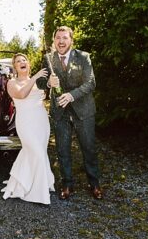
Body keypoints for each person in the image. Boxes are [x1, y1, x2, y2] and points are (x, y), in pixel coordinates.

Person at [36, 26, 102, 200]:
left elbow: (91, 83)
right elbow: (40, 83)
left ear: (71, 40)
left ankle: (94, 183)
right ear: (54, 41)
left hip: (83, 110)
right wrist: (49, 83)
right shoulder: (48, 58)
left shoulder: (83, 57)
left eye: (65, 38)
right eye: (58, 38)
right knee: (62, 150)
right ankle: (67, 184)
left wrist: (71, 95)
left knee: (88, 148)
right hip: (60, 112)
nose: (61, 41)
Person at [1, 54, 55, 204]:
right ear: (15, 67)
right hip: (26, 122)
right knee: (35, 151)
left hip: (41, 120)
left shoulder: (40, 81)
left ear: (28, 64)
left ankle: (23, 183)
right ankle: (38, 193)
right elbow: (21, 94)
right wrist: (35, 76)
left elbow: (50, 92)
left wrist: (51, 82)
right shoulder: (12, 82)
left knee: (38, 152)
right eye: (18, 61)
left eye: (24, 60)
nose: (22, 62)